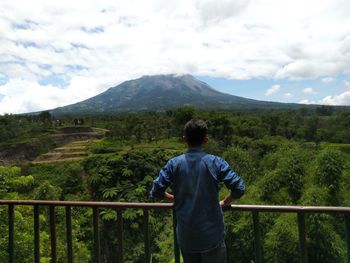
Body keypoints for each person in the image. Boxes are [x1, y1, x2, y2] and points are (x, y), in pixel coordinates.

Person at [150, 119, 245, 263]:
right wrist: (225, 202)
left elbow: (156, 191)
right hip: (212, 237)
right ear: (206, 140)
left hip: (187, 238)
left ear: (184, 139)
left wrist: (174, 199)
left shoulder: (174, 164)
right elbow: (239, 188)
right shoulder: (215, 162)